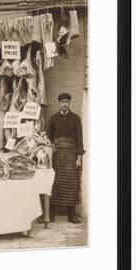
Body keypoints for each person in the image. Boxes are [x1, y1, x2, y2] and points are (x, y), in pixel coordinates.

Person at [46, 93, 84, 223]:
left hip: (71, 156)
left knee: (71, 184)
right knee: (54, 183)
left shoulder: (76, 119)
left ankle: (71, 216)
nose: (64, 104)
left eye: (67, 101)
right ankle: (50, 216)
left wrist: (78, 157)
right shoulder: (53, 118)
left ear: (69, 103)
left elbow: (79, 139)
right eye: (62, 102)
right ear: (59, 103)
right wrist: (49, 155)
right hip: (56, 156)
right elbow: (47, 139)